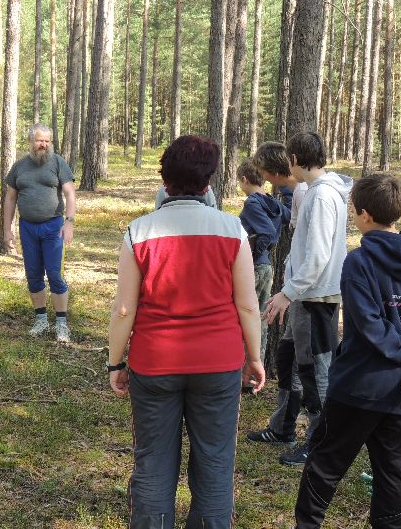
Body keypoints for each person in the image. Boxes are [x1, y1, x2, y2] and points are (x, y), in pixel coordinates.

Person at [107, 135, 266, 528]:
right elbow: (248, 304)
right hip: (218, 364)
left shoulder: (139, 231)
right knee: (215, 462)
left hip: (154, 362)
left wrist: (115, 362)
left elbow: (125, 308)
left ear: (165, 182)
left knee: (154, 461)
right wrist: (256, 357)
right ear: (208, 182)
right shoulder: (232, 230)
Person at [294, 173, 401, 529]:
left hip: (359, 387)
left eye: (353, 212)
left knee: (325, 464)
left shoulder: (360, 262)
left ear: (364, 214)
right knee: (392, 473)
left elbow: (370, 328)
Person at [253, 132, 353, 466]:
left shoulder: (322, 196)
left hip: (315, 296)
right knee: (287, 358)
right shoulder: (314, 193)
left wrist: (288, 293)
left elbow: (319, 255)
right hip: (304, 295)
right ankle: (283, 427)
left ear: (295, 159)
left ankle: (319, 443)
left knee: (314, 371)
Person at [3, 123, 77, 343]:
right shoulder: (19, 167)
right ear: (30, 142)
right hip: (28, 228)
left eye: (47, 141)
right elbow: (9, 199)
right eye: (39, 140)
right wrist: (8, 230)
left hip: (53, 227)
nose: (43, 145)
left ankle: (61, 324)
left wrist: (69, 222)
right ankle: (41, 320)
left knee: (55, 274)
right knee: (33, 274)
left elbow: (70, 194)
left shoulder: (57, 163)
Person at [236, 158, 290, 360]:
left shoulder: (252, 203)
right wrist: (287, 189)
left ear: (244, 179)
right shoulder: (273, 203)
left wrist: (253, 252)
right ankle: (255, 367)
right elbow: (288, 213)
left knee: (244, 315)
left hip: (255, 266)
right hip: (266, 268)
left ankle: (245, 367)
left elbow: (266, 232)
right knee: (260, 316)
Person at [252, 141, 308, 228]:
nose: (263, 178)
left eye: (262, 173)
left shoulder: (302, 192)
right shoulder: (298, 189)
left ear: (275, 172)